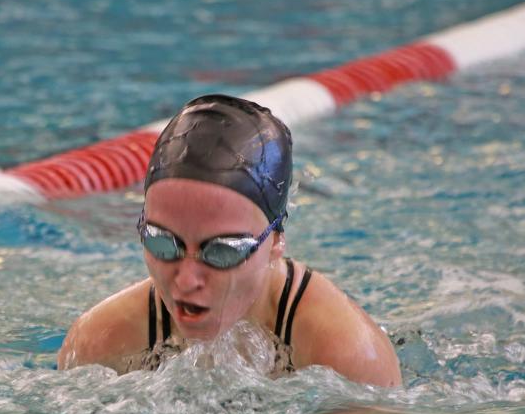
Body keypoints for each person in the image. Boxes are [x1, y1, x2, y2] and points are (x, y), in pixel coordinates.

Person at [58, 94, 401, 388]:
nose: (187, 280)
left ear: (277, 240)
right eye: (163, 243)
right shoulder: (98, 344)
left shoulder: (348, 358)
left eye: (222, 251)